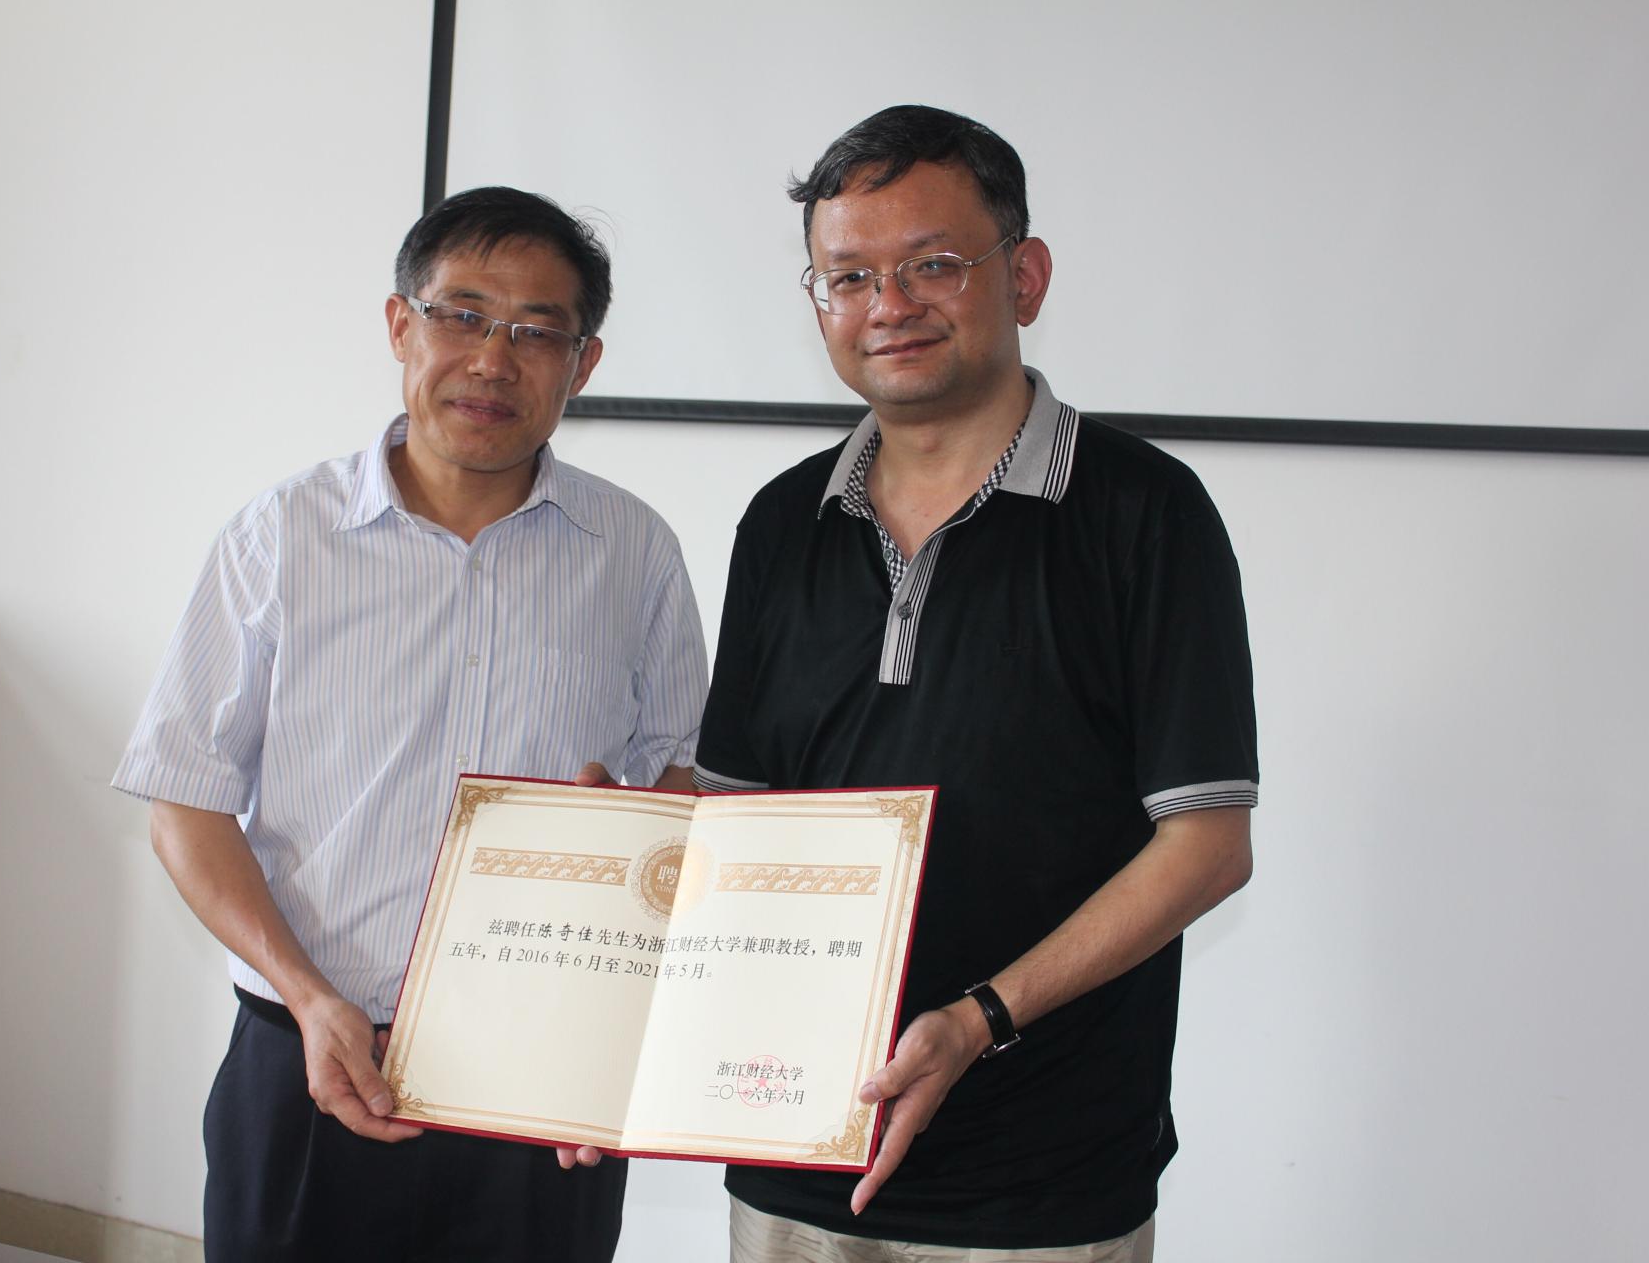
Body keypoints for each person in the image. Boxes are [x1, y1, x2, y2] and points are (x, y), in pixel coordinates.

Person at [695, 106, 1258, 1261]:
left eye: (933, 263)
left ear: (1026, 275)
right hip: (794, 1144)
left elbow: (1208, 844)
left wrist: (976, 1019)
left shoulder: (1145, 513)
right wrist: (617, 854)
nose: (888, 304)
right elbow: (736, 820)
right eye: (849, 275)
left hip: (1042, 1183)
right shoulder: (781, 521)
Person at [112, 186, 707, 1262]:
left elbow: (680, 794)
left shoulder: (635, 553)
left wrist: (615, 997)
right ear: (401, 325)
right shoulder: (280, 536)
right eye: (462, 315)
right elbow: (183, 802)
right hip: (309, 1053)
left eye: (537, 332)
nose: (493, 360)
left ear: (583, 364)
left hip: (540, 1082)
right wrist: (309, 998)